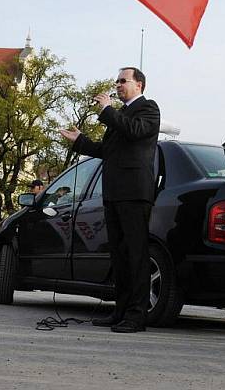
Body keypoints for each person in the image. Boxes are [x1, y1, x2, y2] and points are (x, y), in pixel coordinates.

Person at [60, 67, 160, 333]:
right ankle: (121, 310)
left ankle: (137, 316)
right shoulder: (121, 115)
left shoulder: (148, 109)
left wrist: (107, 111)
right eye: (116, 81)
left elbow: (135, 132)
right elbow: (107, 151)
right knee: (119, 255)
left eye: (122, 81)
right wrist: (80, 140)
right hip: (114, 192)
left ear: (139, 85)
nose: (117, 85)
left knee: (136, 255)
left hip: (134, 193)